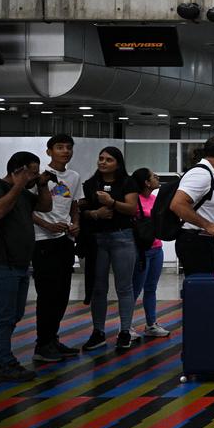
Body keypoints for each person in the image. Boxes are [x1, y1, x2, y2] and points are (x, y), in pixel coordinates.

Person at [0, 152, 54, 381]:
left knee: (13, 315)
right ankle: (2, 362)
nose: (34, 175)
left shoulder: (23, 194)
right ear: (18, 170)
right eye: (31, 171)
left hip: (19, 266)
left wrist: (41, 185)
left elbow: (46, 206)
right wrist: (18, 185)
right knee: (2, 317)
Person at [79, 147, 140, 353]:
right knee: (98, 288)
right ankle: (98, 332)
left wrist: (112, 203)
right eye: (101, 158)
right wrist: (95, 213)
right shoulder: (90, 184)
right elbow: (81, 210)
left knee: (124, 286)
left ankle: (125, 331)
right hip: (97, 239)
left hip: (122, 236)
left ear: (118, 163)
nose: (103, 162)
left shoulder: (127, 182)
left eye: (109, 159)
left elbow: (132, 209)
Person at [30, 135, 82, 362]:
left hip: (64, 240)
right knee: (47, 295)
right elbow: (27, 210)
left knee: (61, 294)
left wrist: (76, 224)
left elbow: (74, 205)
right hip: (42, 240)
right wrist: (48, 225)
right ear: (49, 151)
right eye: (59, 148)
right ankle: (42, 345)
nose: (65, 151)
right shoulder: (38, 178)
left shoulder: (73, 176)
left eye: (68, 148)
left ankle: (52, 339)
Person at [170, 136, 214, 278]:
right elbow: (177, 204)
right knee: (201, 291)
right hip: (196, 242)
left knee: (207, 290)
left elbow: (205, 208)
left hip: (205, 241)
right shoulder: (201, 174)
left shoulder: (211, 174)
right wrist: (208, 225)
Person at [128, 168, 169, 339]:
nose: (157, 177)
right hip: (141, 250)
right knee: (135, 289)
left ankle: (151, 324)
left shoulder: (154, 199)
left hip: (156, 248)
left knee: (151, 288)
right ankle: (126, 326)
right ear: (146, 182)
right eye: (153, 176)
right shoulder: (134, 200)